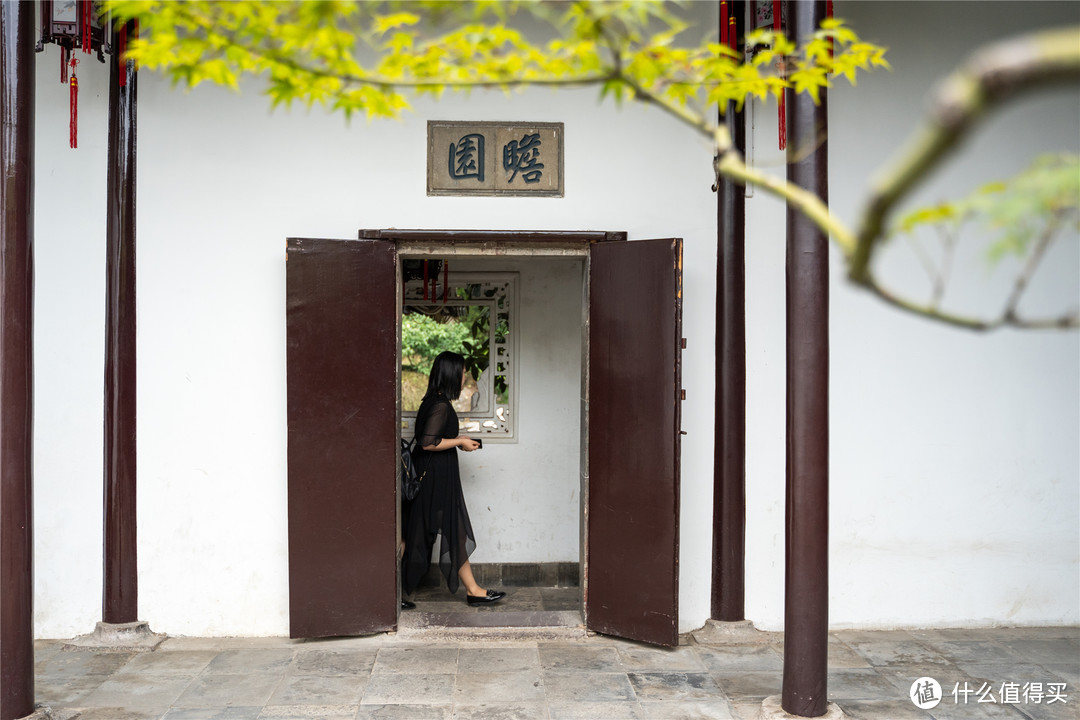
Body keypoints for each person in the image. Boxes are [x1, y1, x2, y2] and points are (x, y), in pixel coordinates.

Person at [401, 351, 506, 606]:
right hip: (434, 479)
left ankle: (472, 589)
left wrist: (458, 444)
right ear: (450, 374)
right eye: (461, 373)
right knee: (443, 529)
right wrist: (459, 440)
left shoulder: (432, 400)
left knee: (416, 531)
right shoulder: (440, 405)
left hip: (433, 475)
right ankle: (473, 590)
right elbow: (427, 443)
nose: (464, 377)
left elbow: (433, 439)